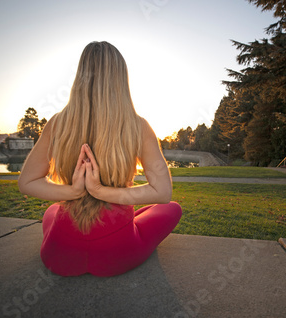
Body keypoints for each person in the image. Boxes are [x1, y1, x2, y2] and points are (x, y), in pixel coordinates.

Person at [18, 41, 182, 277]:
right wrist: (102, 192)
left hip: (59, 256)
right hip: (116, 255)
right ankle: (128, 218)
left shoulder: (56, 122)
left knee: (54, 209)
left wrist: (75, 192)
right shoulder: (138, 126)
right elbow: (163, 194)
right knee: (172, 210)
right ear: (120, 78)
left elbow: (27, 182)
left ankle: (108, 218)